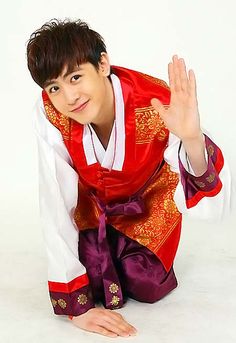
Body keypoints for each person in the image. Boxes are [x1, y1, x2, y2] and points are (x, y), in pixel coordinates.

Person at [26, 19, 231, 338]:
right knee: (91, 280)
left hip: (148, 208)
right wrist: (75, 307)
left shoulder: (158, 102)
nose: (68, 97)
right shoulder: (51, 113)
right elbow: (54, 196)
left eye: (76, 77)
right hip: (93, 211)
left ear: (103, 63)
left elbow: (214, 210)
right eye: (54, 87)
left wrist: (191, 137)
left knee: (148, 284)